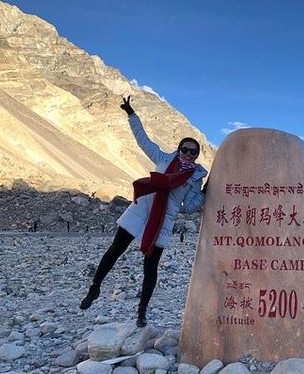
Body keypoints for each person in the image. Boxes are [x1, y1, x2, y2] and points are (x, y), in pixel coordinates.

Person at [80, 96, 208, 327]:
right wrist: (131, 114)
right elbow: (143, 140)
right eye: (185, 149)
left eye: (193, 152)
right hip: (141, 209)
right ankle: (95, 287)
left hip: (163, 221)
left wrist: (204, 194)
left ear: (197, 156)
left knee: (150, 268)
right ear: (178, 149)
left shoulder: (194, 179)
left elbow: (188, 208)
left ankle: (142, 311)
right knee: (115, 250)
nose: (188, 154)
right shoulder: (163, 158)